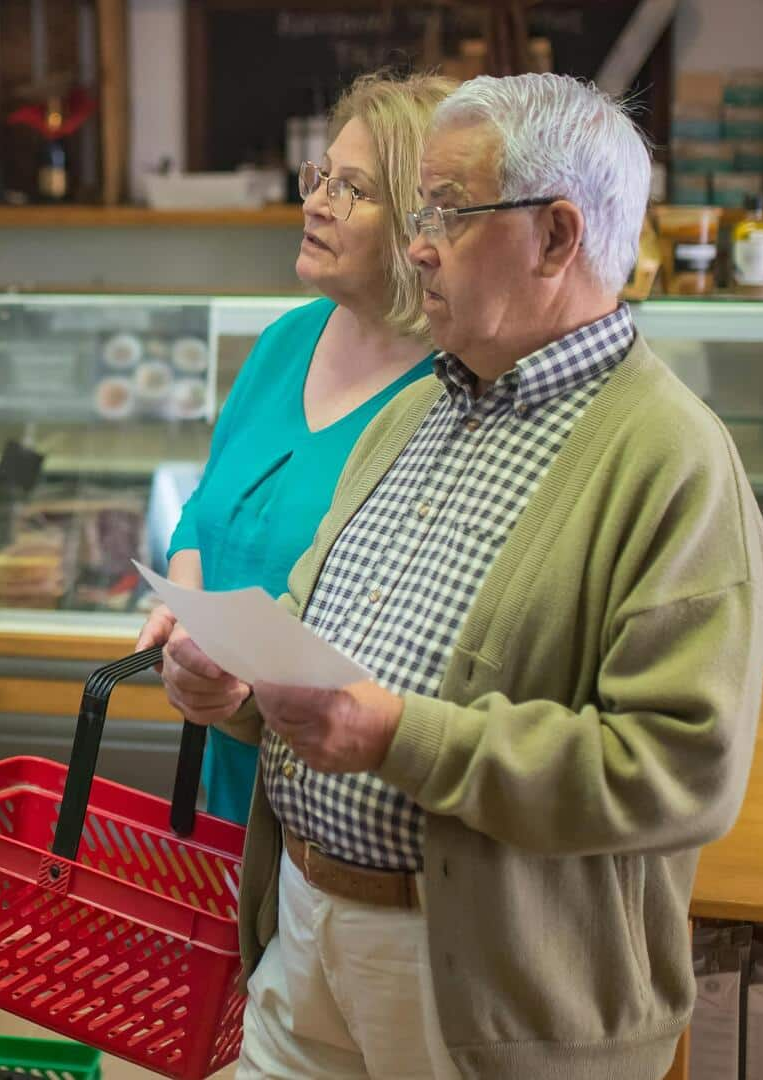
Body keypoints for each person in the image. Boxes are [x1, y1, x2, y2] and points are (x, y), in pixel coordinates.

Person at [159, 73, 763, 1079]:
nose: (416, 242)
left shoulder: (671, 460)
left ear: (558, 237)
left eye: (449, 211)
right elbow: (314, 659)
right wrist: (234, 692)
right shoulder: (415, 413)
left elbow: (681, 770)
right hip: (303, 942)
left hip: (488, 997)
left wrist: (402, 738)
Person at [136, 70, 455, 824]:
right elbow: (204, 511)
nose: (313, 202)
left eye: (352, 189)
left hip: (351, 805)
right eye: (320, 176)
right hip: (231, 783)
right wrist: (189, 630)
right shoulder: (287, 340)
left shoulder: (452, 390)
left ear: (424, 223)